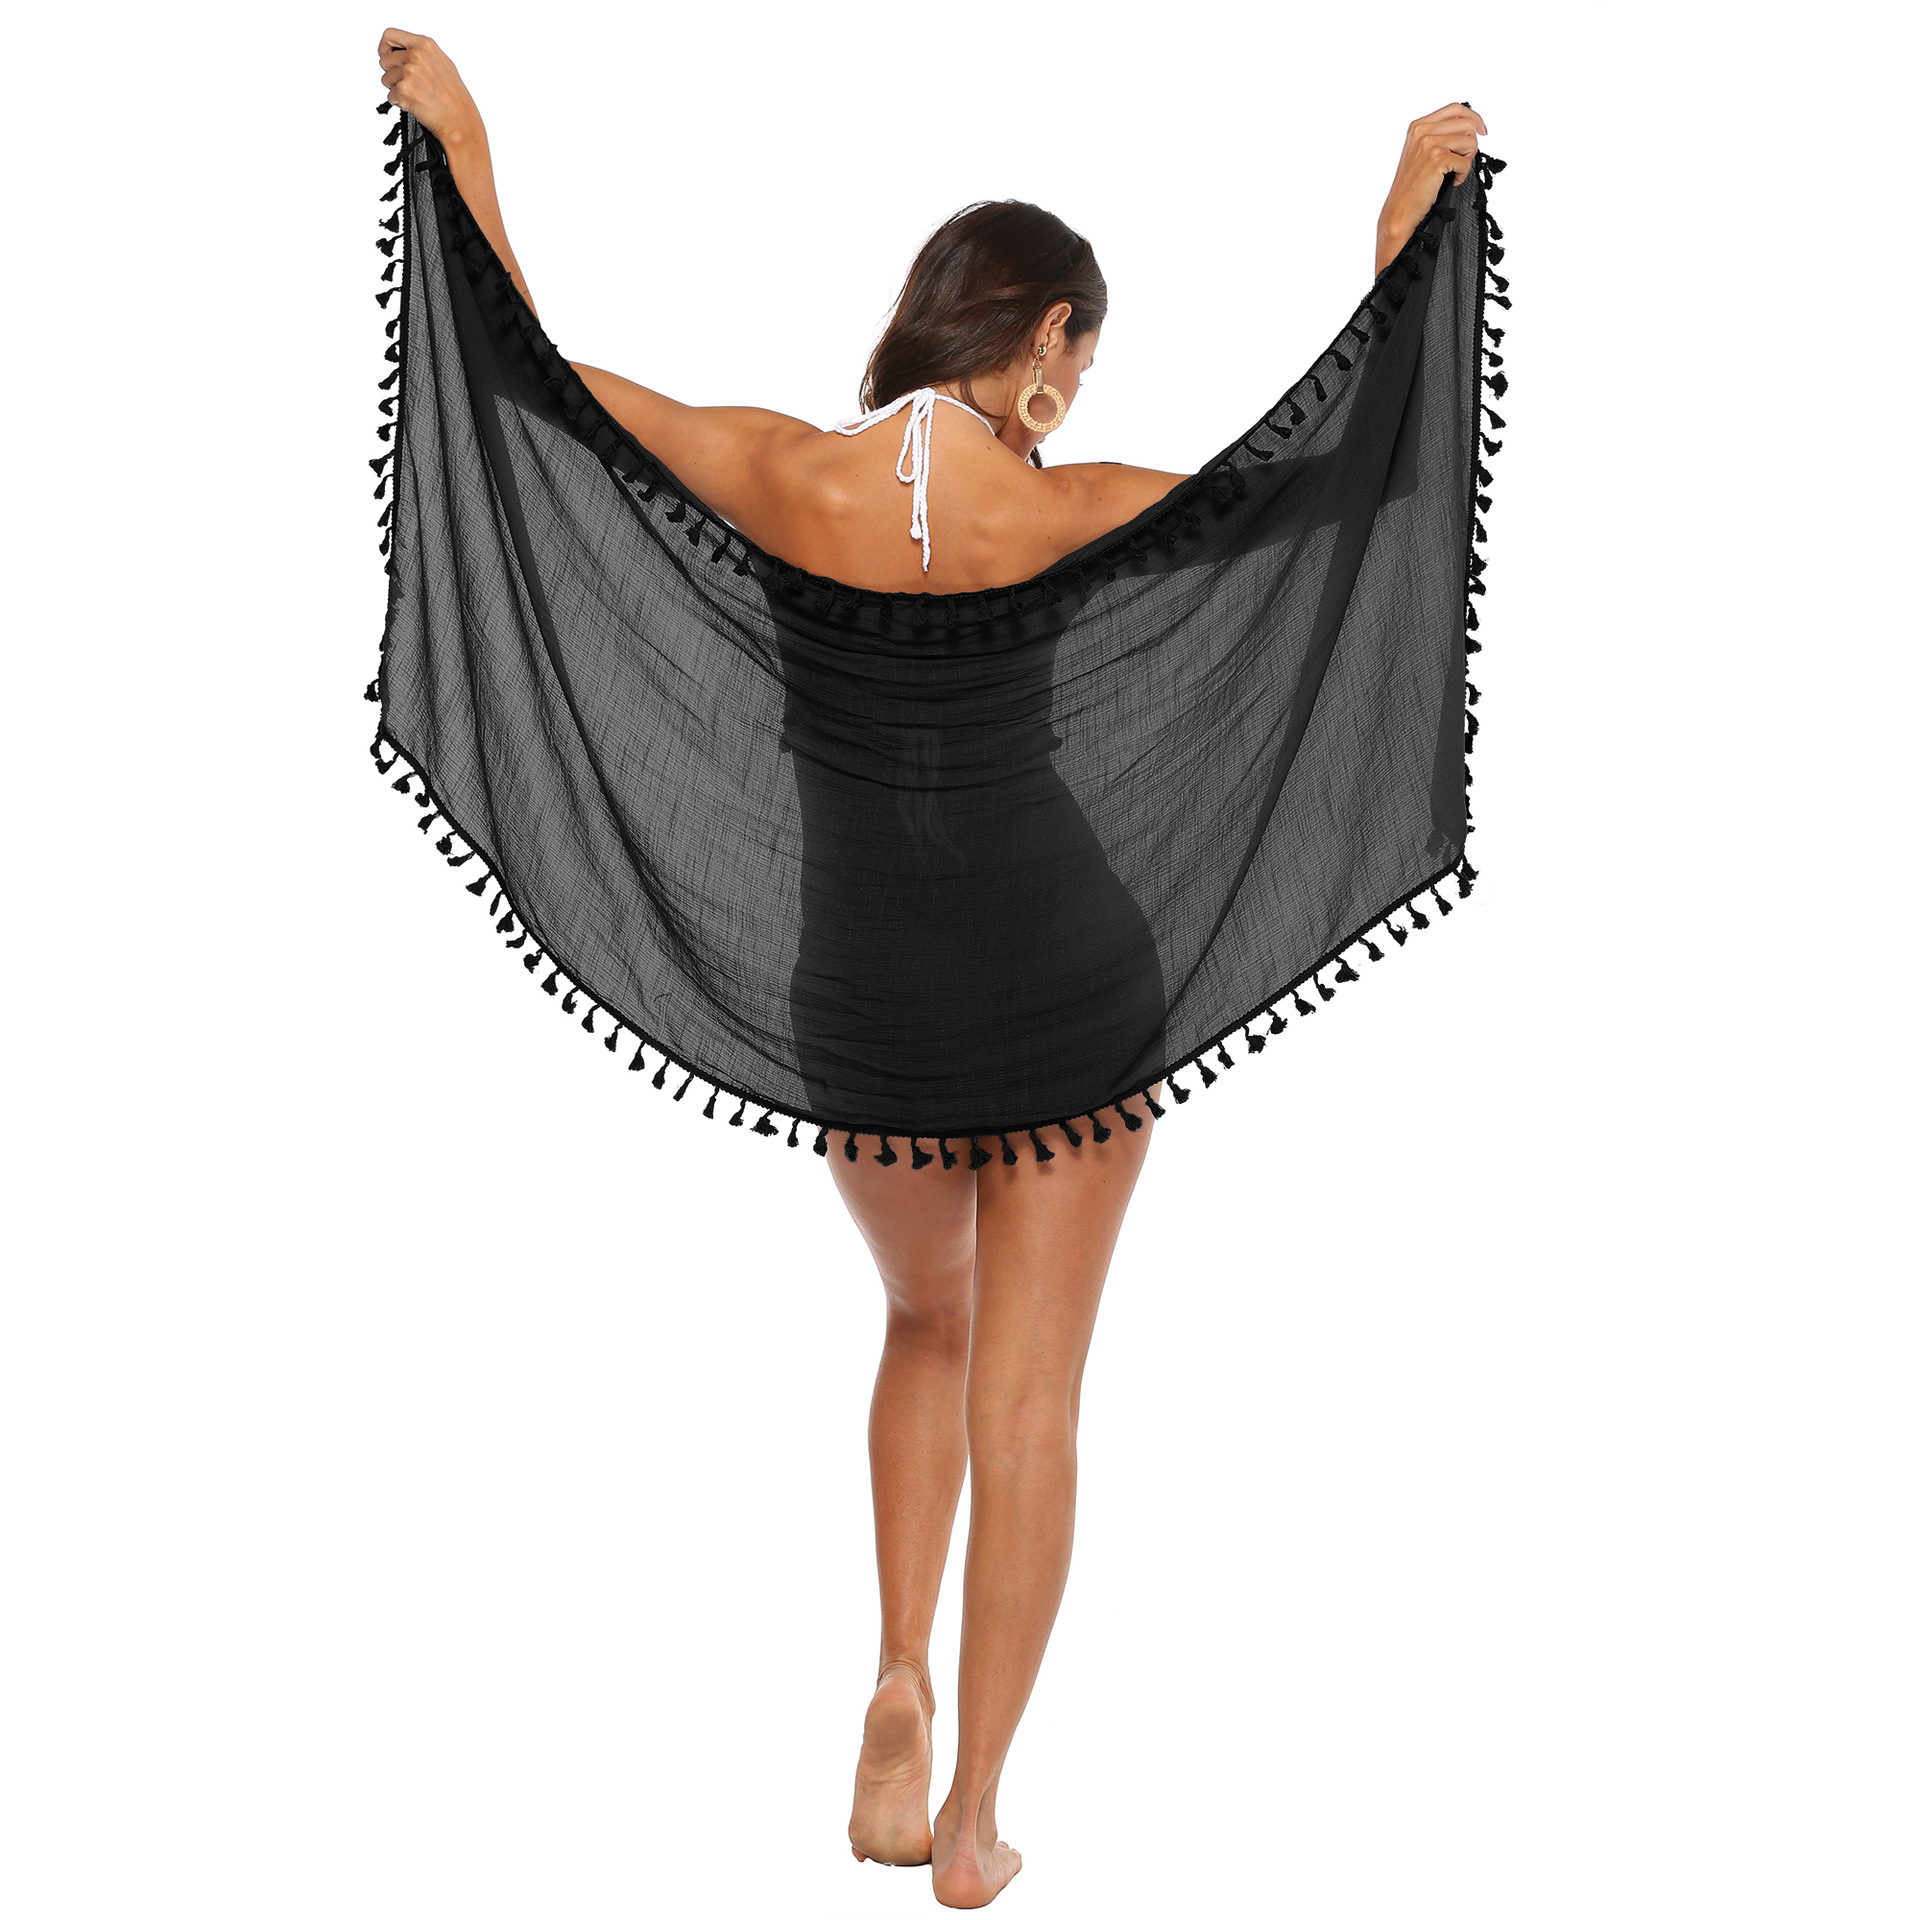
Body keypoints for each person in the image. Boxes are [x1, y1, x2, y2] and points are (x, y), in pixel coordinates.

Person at [374, 29, 1484, 1908]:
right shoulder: (1063, 503)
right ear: (1045, 334)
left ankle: (895, 1663)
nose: (1074, 400)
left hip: (860, 986)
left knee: (925, 1324)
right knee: (1030, 1402)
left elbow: (523, 368)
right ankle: (970, 1818)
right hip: (1069, 976)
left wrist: (465, 150)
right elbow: (1359, 470)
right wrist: (1403, 250)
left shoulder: (776, 468)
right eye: (1081, 364)